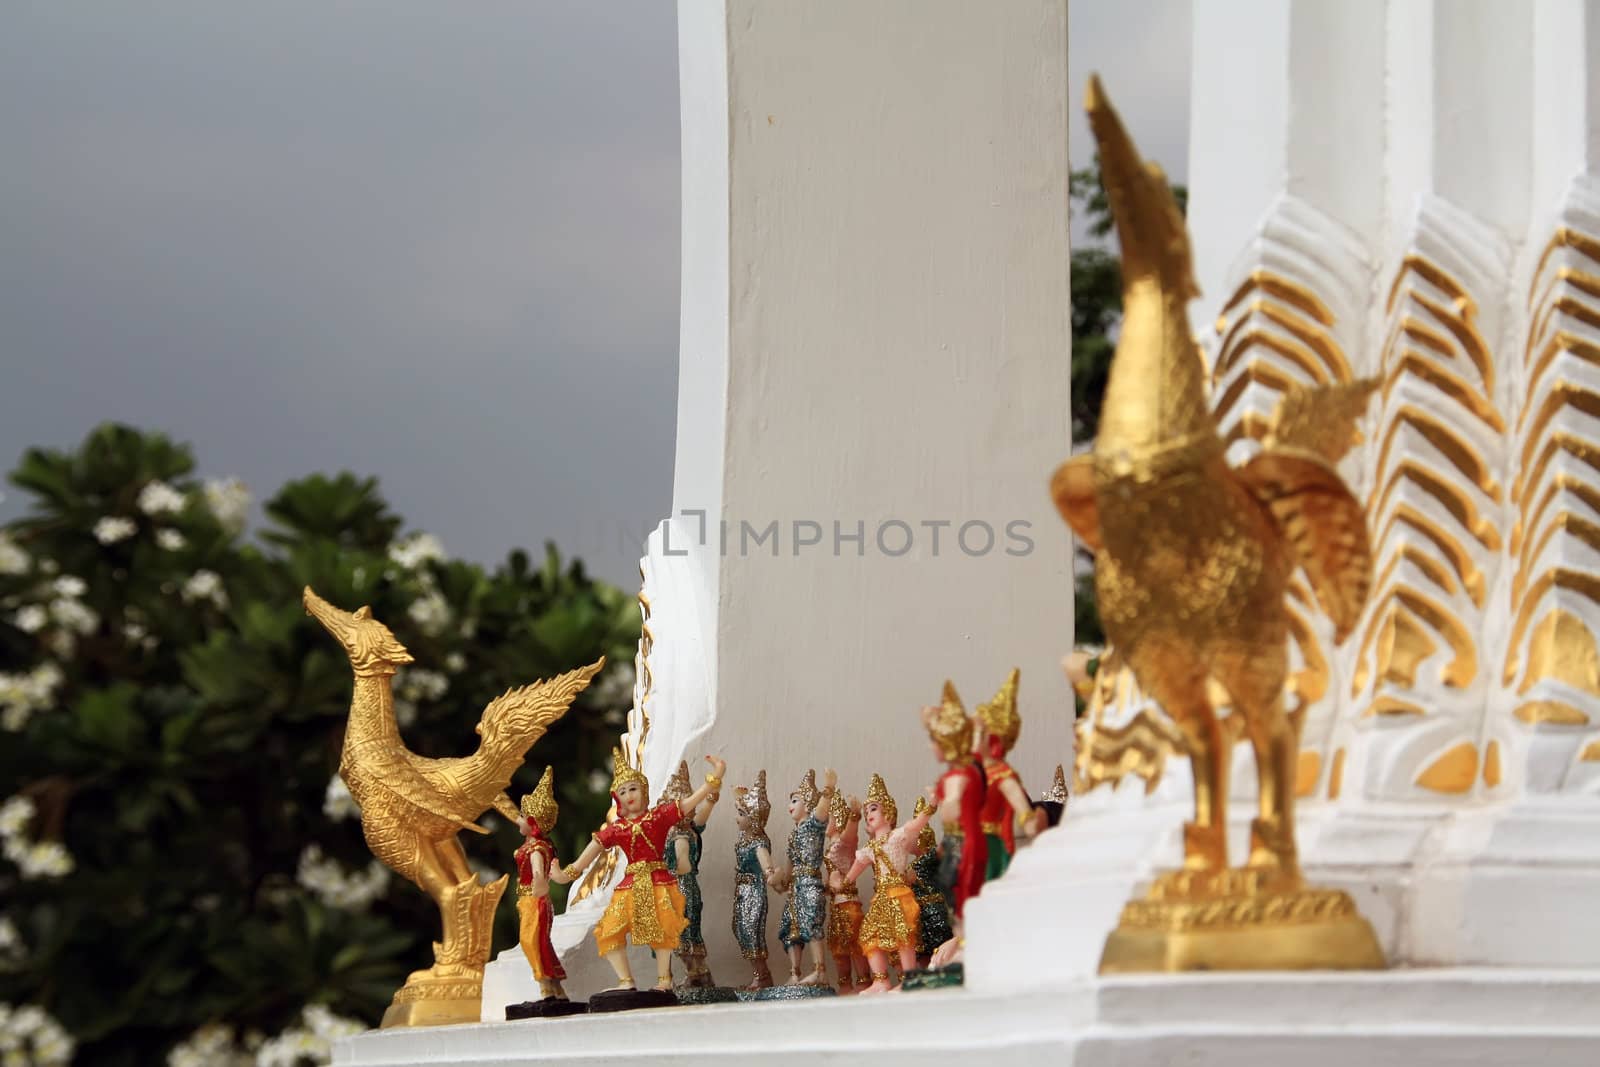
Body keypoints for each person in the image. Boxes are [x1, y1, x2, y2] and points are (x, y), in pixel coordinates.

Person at [552, 748, 726, 992]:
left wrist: (714, 778)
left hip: (659, 880)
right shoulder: (618, 828)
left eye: (633, 788)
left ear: (644, 791)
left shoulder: (658, 817)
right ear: (617, 799)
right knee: (609, 930)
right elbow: (592, 850)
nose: (629, 795)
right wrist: (566, 874)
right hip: (631, 884)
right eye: (622, 792)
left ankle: (664, 980)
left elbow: (690, 803)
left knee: (664, 929)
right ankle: (626, 981)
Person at [844, 774, 935, 994]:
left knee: (903, 935)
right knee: (868, 935)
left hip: (899, 893)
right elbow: (855, 869)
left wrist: (932, 804)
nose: (868, 815)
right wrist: (842, 883)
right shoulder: (870, 848)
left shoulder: (897, 837)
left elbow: (917, 824)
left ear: (888, 812)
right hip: (881, 897)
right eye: (866, 812)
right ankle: (881, 981)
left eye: (873, 809)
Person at [771, 768, 835, 985]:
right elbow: (788, 871)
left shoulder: (812, 825)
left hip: (810, 884)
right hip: (796, 887)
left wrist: (828, 790)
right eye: (790, 801)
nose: (790, 806)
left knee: (812, 925)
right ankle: (794, 972)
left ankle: (820, 971)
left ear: (807, 804)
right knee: (791, 929)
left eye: (795, 800)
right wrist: (778, 880)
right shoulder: (793, 836)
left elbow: (822, 811)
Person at [660, 760, 719, 988]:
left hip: (679, 887)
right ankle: (698, 972)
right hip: (690, 886)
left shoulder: (680, 834)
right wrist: (711, 802)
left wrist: (679, 865)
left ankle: (696, 971)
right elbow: (701, 820)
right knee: (691, 930)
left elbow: (681, 854)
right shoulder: (689, 830)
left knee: (683, 934)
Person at [513, 767, 569, 1002]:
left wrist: (538, 881)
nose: (519, 819)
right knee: (539, 942)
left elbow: (538, 870)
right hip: (531, 900)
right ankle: (556, 988)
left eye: (524, 816)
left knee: (532, 941)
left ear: (533, 822)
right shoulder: (538, 844)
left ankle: (545, 986)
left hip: (534, 899)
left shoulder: (536, 848)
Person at [731, 769, 776, 989]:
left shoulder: (758, 843)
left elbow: (766, 864)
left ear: (753, 819)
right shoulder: (745, 836)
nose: (736, 818)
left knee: (751, 931)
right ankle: (758, 974)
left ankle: (762, 976)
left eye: (741, 814)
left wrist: (771, 874)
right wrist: (739, 797)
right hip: (741, 891)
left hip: (753, 891)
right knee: (739, 929)